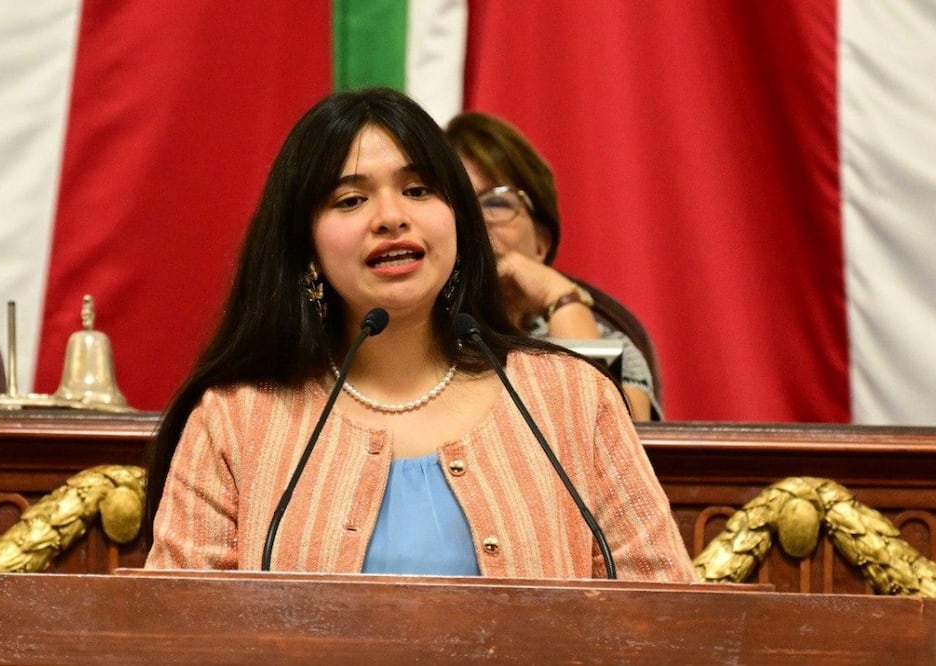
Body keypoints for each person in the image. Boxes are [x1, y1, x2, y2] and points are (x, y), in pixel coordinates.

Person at [144, 88, 695, 582]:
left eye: (417, 190)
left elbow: (669, 621)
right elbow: (174, 635)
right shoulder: (233, 422)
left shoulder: (572, 400)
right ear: (305, 247)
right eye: (350, 200)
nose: (390, 216)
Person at [445, 112, 660, 420]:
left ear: (541, 244)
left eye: (496, 203)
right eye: (457, 204)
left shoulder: (609, 343)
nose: (476, 222)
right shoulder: (405, 340)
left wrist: (561, 297)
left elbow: (613, 441)